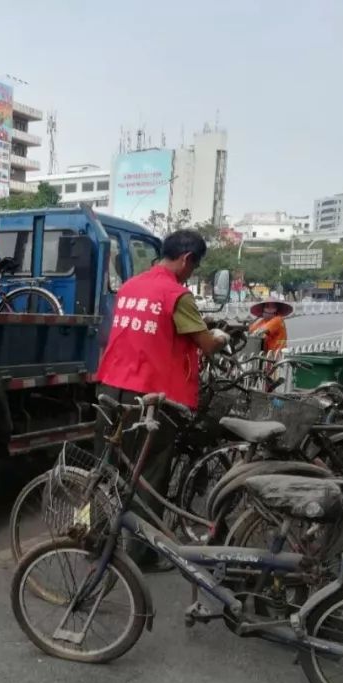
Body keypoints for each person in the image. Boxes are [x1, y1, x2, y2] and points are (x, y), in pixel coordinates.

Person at [94, 229, 229, 570]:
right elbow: (206, 344)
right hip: (149, 397)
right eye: (194, 267)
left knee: (106, 469)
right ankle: (141, 557)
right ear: (186, 259)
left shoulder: (130, 286)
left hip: (111, 388)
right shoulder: (176, 294)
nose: (191, 273)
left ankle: (93, 540)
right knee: (148, 475)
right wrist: (221, 336)